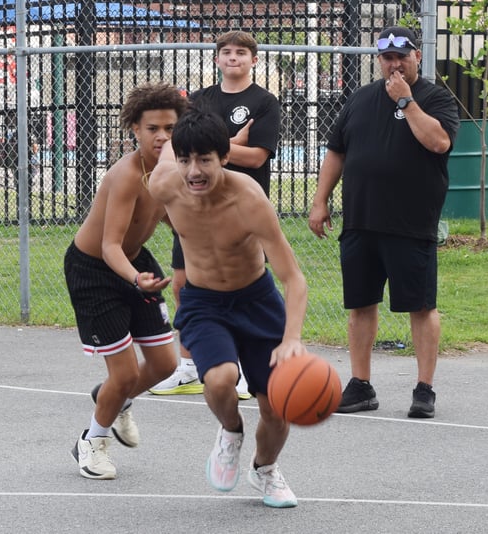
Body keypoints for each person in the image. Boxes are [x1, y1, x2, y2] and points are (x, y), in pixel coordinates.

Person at [148, 106, 308, 508]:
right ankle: (231, 431)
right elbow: (149, 217)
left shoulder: (249, 200)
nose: (194, 171)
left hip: (256, 300)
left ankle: (265, 469)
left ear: (225, 155)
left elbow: (294, 278)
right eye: (186, 160)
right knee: (219, 379)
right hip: (204, 303)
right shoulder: (165, 186)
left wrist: (292, 339)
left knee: (276, 408)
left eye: (205, 159)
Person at [308, 26, 460, 419]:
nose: (394, 64)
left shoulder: (435, 98)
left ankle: (424, 389)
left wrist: (406, 102)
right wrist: (320, 200)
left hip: (410, 223)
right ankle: (360, 385)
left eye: (402, 57)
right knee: (360, 305)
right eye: (387, 58)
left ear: (417, 58)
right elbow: (337, 152)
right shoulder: (359, 99)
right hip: (361, 220)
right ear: (379, 60)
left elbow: (438, 142)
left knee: (420, 306)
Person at [63, 83, 188, 480]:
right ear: (134, 128)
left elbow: (174, 220)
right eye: (153, 128)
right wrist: (137, 280)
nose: (163, 136)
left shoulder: (171, 172)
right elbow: (110, 244)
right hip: (96, 270)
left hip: (135, 264)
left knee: (166, 364)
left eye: (170, 127)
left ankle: (111, 400)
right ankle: (91, 441)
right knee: (126, 374)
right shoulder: (126, 175)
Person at [150, 30, 281, 399]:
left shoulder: (264, 102)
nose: (233, 58)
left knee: (241, 282)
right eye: (226, 52)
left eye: (241, 52)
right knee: (183, 283)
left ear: (254, 60)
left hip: (237, 209)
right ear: (216, 59)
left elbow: (257, 156)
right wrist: (230, 142)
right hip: (194, 201)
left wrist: (221, 148)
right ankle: (191, 365)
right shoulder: (199, 99)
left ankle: (237, 365)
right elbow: (181, 148)